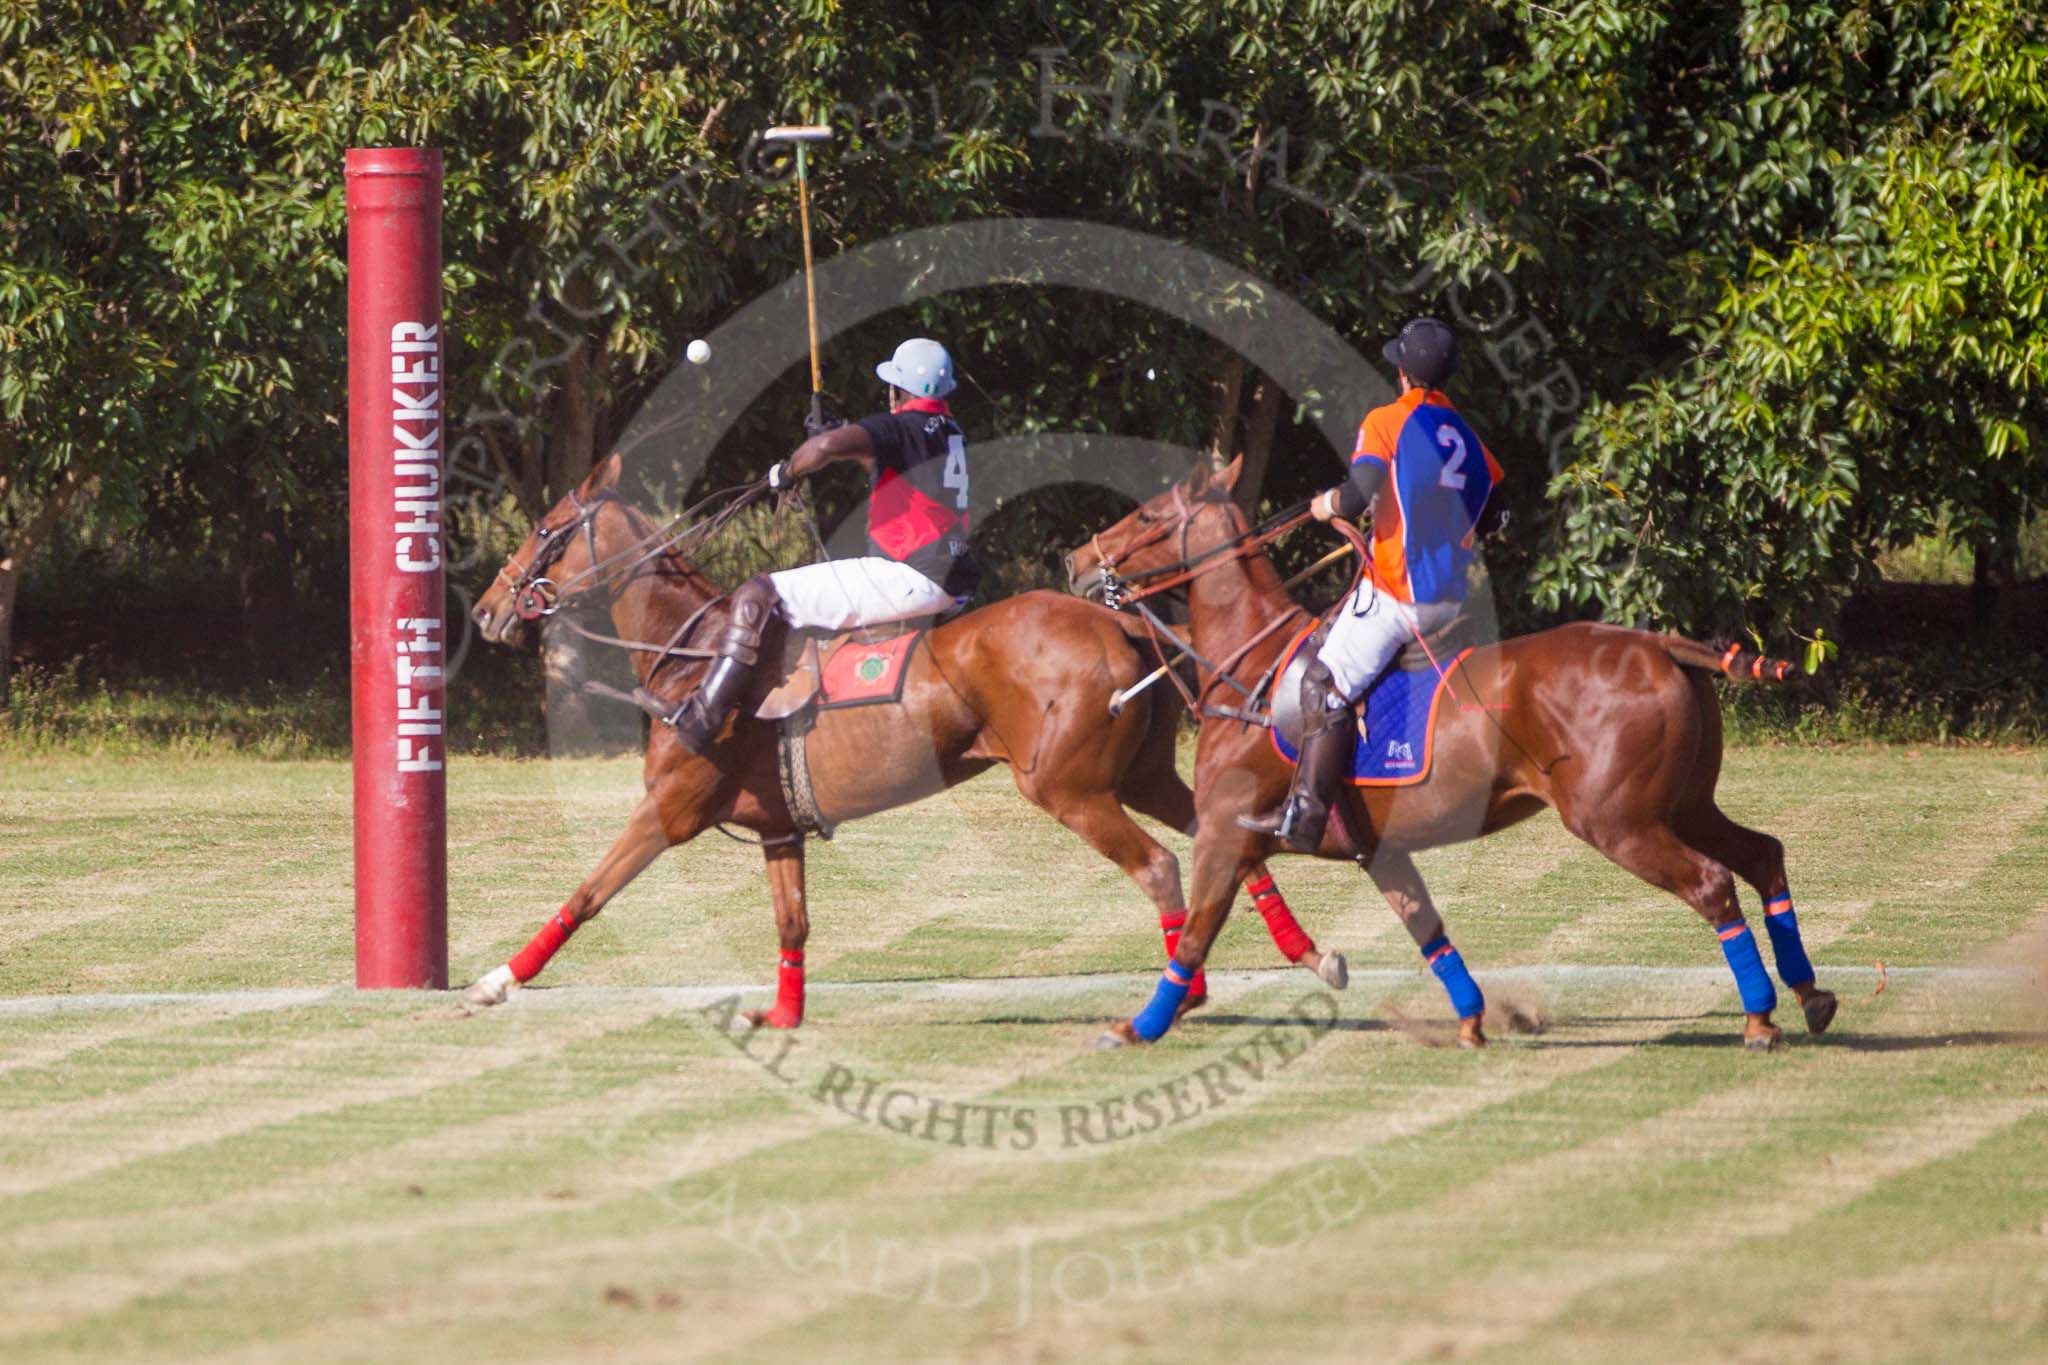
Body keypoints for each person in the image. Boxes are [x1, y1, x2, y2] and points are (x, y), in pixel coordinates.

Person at [1238, 317, 1503, 851]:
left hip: (1399, 597)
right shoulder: (1468, 438)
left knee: (1321, 682)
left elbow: (1356, 497)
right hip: (1452, 599)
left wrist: (1325, 505)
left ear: (1403, 373)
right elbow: (1496, 516)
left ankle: (1305, 814)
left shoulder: (1388, 420)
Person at [670, 337, 981, 754]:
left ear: (899, 389)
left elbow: (825, 449)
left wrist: (789, 469)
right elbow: (877, 451)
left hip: (911, 574)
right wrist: (840, 435)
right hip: (956, 579)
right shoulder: (950, 431)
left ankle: (702, 721)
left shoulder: (901, 426)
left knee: (758, 593)